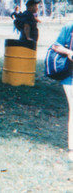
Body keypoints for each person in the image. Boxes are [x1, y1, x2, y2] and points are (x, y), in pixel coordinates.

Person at [51, 22, 73, 161]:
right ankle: (72, 148)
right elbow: (56, 45)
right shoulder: (69, 28)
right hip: (70, 77)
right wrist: (69, 52)